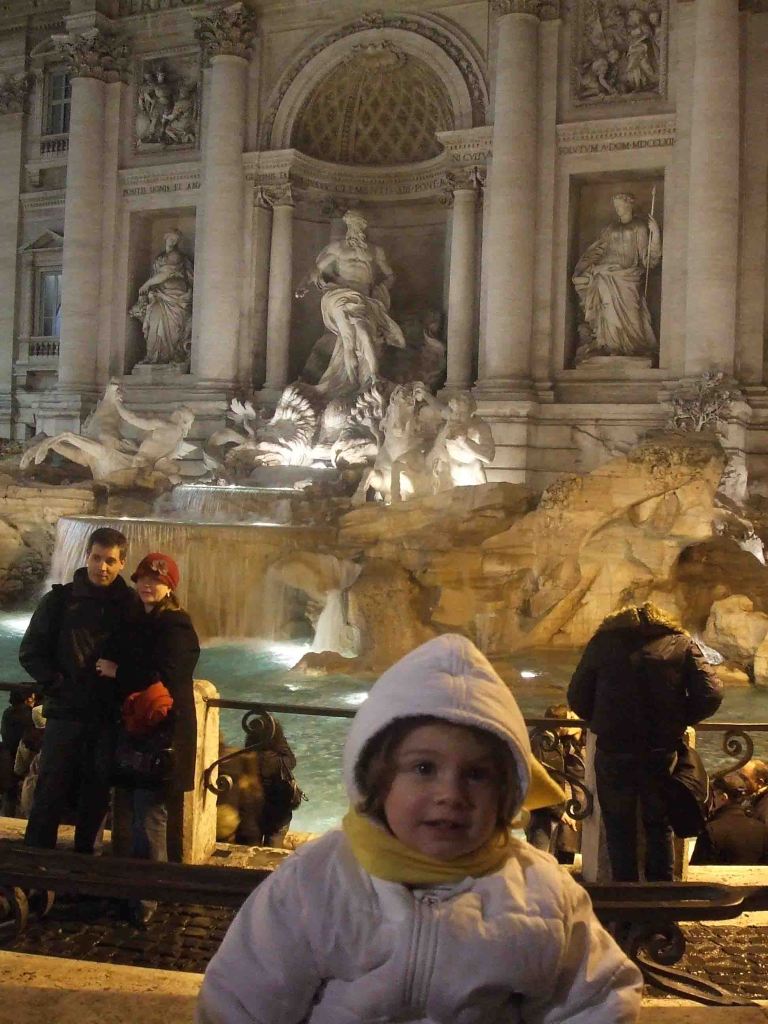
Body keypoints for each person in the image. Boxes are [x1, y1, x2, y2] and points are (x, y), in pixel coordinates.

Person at [197, 634, 642, 1023]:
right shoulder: (316, 879)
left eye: (477, 774)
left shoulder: (543, 891)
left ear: (508, 793)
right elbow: (241, 1000)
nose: (451, 793)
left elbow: (597, 1000)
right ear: (378, 780)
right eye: (424, 768)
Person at [568, 602, 723, 882]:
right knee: (659, 826)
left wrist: (603, 720)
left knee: (618, 826)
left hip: (614, 749)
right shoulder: (681, 644)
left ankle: (625, 898)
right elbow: (711, 693)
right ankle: (660, 898)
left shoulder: (602, 644)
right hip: (660, 750)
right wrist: (679, 719)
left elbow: (577, 697)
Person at [20, 527, 140, 852]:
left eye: (110, 561)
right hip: (65, 713)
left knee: (97, 795)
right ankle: (37, 862)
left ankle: (86, 862)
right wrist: (57, 684)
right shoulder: (59, 601)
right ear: (87, 556)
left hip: (107, 716)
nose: (102, 567)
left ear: (122, 563)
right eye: (97, 558)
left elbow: (144, 655)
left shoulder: (131, 605)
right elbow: (30, 651)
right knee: (50, 790)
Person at [96, 551, 199, 925]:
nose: (147, 585)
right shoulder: (137, 618)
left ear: (169, 587)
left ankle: (147, 897)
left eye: (156, 580)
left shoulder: (177, 626)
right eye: (142, 579)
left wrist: (118, 671)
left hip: (163, 735)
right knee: (132, 811)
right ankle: (133, 889)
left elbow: (168, 675)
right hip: (136, 730)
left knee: (150, 814)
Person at [296, 208, 406, 396]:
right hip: (339, 294)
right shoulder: (337, 248)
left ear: (364, 226)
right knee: (348, 340)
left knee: (364, 333)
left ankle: (373, 377)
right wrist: (303, 285)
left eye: (359, 224)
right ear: (347, 225)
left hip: (363, 299)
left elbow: (391, 276)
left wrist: (381, 289)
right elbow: (315, 269)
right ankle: (352, 384)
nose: (356, 228)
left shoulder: (375, 251)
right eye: (352, 224)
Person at [572, 192, 661, 362]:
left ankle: (634, 347)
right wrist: (584, 266)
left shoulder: (639, 227)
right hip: (604, 272)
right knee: (607, 308)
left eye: (621, 205)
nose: (618, 209)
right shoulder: (610, 228)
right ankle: (610, 345)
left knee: (632, 312)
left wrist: (655, 234)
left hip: (628, 275)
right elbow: (598, 249)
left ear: (629, 205)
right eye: (616, 206)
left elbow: (647, 259)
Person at [130, 228, 194, 366]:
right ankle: (153, 356)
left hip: (175, 298)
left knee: (172, 328)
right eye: (171, 238)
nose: (173, 241)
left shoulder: (176, 256)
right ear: (165, 238)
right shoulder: (160, 258)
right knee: (154, 321)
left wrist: (146, 284)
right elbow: (157, 276)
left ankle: (171, 356)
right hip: (159, 296)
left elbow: (165, 274)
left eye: (175, 240)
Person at [691, 773, 768, 866]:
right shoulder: (762, 830)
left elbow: (695, 869)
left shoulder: (711, 831)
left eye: (713, 796)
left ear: (723, 798)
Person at [0, 687, 34, 815]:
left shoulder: (7, 713)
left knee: (9, 794)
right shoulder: (29, 714)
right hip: (22, 756)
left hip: (7, 756)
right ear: (27, 699)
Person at [14, 704, 47, 819]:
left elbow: (18, 769)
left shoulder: (25, 741)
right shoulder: (56, 743)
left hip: (28, 792)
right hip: (48, 794)